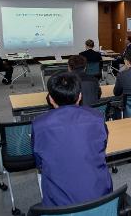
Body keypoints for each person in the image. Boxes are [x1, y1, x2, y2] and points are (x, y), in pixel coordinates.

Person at [32, 72, 113, 207]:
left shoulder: (39, 124)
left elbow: (39, 163)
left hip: (59, 206)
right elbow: (102, 147)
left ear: (50, 99)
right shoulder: (97, 117)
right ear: (79, 96)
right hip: (101, 200)